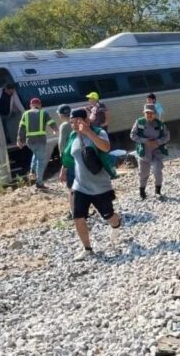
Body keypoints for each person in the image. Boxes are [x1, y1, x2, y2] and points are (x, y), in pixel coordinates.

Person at [60, 108, 120, 260]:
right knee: (77, 217)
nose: (73, 125)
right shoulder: (73, 136)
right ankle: (87, 249)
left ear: (86, 121)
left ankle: (116, 225)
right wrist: (64, 170)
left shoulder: (98, 132)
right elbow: (69, 155)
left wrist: (88, 132)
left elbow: (106, 148)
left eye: (77, 122)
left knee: (109, 216)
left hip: (100, 186)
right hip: (80, 185)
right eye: (71, 122)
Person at [130, 104, 170, 199]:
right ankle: (142, 191)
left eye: (151, 113)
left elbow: (167, 136)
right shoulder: (139, 122)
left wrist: (158, 142)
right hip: (144, 151)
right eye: (147, 113)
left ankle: (158, 191)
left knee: (157, 171)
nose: (149, 115)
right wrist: (145, 141)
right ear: (144, 113)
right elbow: (132, 135)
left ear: (155, 114)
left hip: (157, 151)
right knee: (143, 173)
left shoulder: (160, 124)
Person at [17, 97, 58, 189]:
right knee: (40, 161)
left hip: (30, 142)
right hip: (40, 140)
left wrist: (19, 140)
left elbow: (21, 128)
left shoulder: (25, 114)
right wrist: (56, 130)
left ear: (31, 105)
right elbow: (51, 122)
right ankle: (39, 182)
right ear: (40, 105)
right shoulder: (43, 113)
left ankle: (32, 170)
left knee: (35, 154)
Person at [56, 104, 74, 218]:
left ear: (61, 115)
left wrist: (63, 165)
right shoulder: (75, 123)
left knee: (72, 187)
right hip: (80, 159)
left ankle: (74, 212)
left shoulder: (64, 126)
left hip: (70, 161)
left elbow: (63, 147)